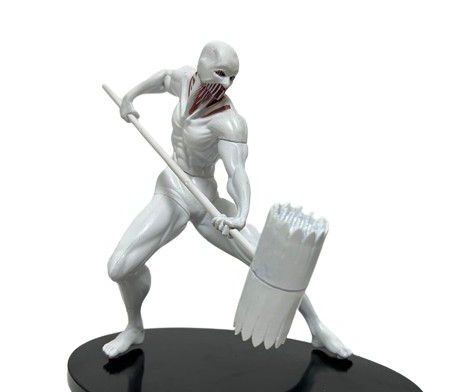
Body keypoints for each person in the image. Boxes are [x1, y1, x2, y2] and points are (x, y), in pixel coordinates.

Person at [103, 41, 351, 360]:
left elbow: (237, 174)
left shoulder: (229, 122)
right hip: (172, 189)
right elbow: (164, 78)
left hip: (205, 197)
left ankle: (317, 327)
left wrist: (241, 214)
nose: (226, 84)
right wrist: (130, 96)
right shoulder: (185, 79)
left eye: (232, 77)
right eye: (220, 74)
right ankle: (134, 327)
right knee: (119, 267)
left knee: (264, 257)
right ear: (202, 66)